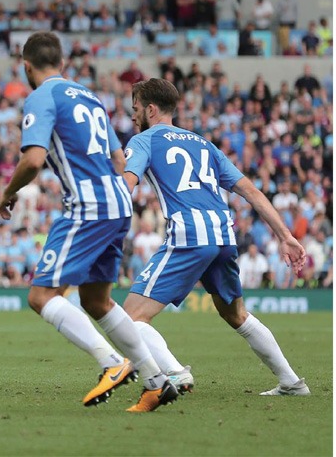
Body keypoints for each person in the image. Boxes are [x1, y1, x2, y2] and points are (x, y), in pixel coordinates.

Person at [0, 31, 178, 412]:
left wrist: (7, 193)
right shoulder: (91, 98)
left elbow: (32, 160)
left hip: (87, 205)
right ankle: (157, 381)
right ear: (62, 63)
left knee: (41, 296)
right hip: (117, 202)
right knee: (96, 301)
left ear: (26, 66)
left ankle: (112, 362)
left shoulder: (41, 96)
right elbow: (118, 160)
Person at [121, 77, 310, 396]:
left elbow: (126, 183)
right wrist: (285, 235)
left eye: (135, 108)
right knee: (235, 313)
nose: (132, 115)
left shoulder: (144, 141)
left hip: (189, 234)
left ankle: (176, 373)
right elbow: (250, 190)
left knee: (129, 318)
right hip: (223, 234)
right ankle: (291, 382)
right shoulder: (203, 144)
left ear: (151, 110)